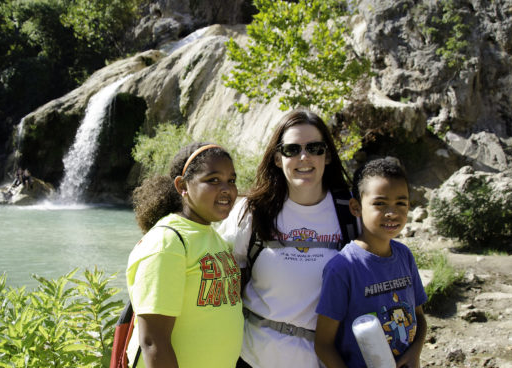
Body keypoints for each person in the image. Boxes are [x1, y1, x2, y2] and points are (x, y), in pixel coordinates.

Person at [219, 110, 357, 368]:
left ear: (327, 156)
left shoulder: (350, 212)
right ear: (277, 158)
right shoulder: (252, 211)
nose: (304, 157)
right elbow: (219, 278)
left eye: (314, 148)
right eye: (292, 149)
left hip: (324, 361)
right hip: (251, 357)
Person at [126, 142, 244, 368]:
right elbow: (153, 341)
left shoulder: (213, 236)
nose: (227, 189)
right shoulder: (167, 242)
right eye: (213, 180)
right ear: (182, 186)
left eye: (231, 180)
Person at [314, 158, 428, 368]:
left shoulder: (404, 256)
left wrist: (415, 353)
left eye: (401, 203)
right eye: (379, 203)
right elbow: (323, 344)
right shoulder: (343, 267)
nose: (392, 213)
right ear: (356, 207)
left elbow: (419, 318)